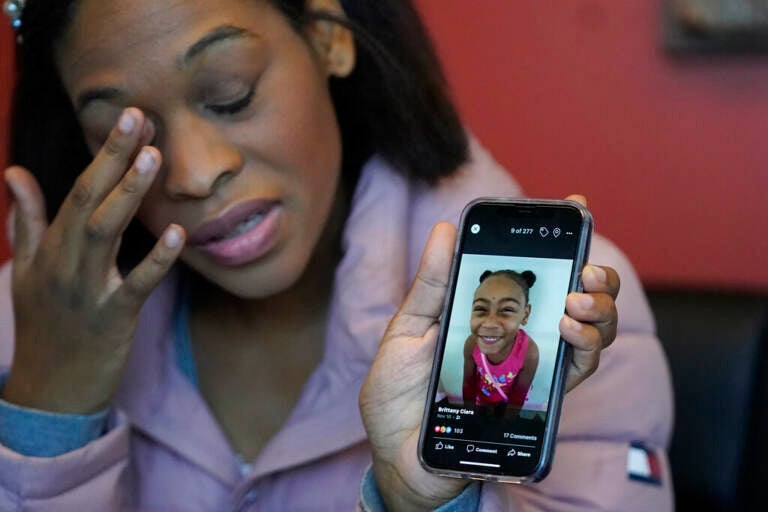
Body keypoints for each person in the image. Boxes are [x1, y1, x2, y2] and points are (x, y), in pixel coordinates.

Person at [0, 0, 673, 510]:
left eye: (231, 95)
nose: (194, 174)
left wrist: (425, 504)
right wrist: (48, 407)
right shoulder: (27, 328)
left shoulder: (568, 313)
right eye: (123, 134)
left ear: (328, 38)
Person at [462, 270, 539, 412]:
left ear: (525, 314)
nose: (490, 323)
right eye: (480, 308)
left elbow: (518, 396)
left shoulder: (529, 353)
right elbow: (468, 384)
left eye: (507, 309)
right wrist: (468, 415)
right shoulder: (471, 344)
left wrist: (507, 423)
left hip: (506, 404)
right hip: (481, 401)